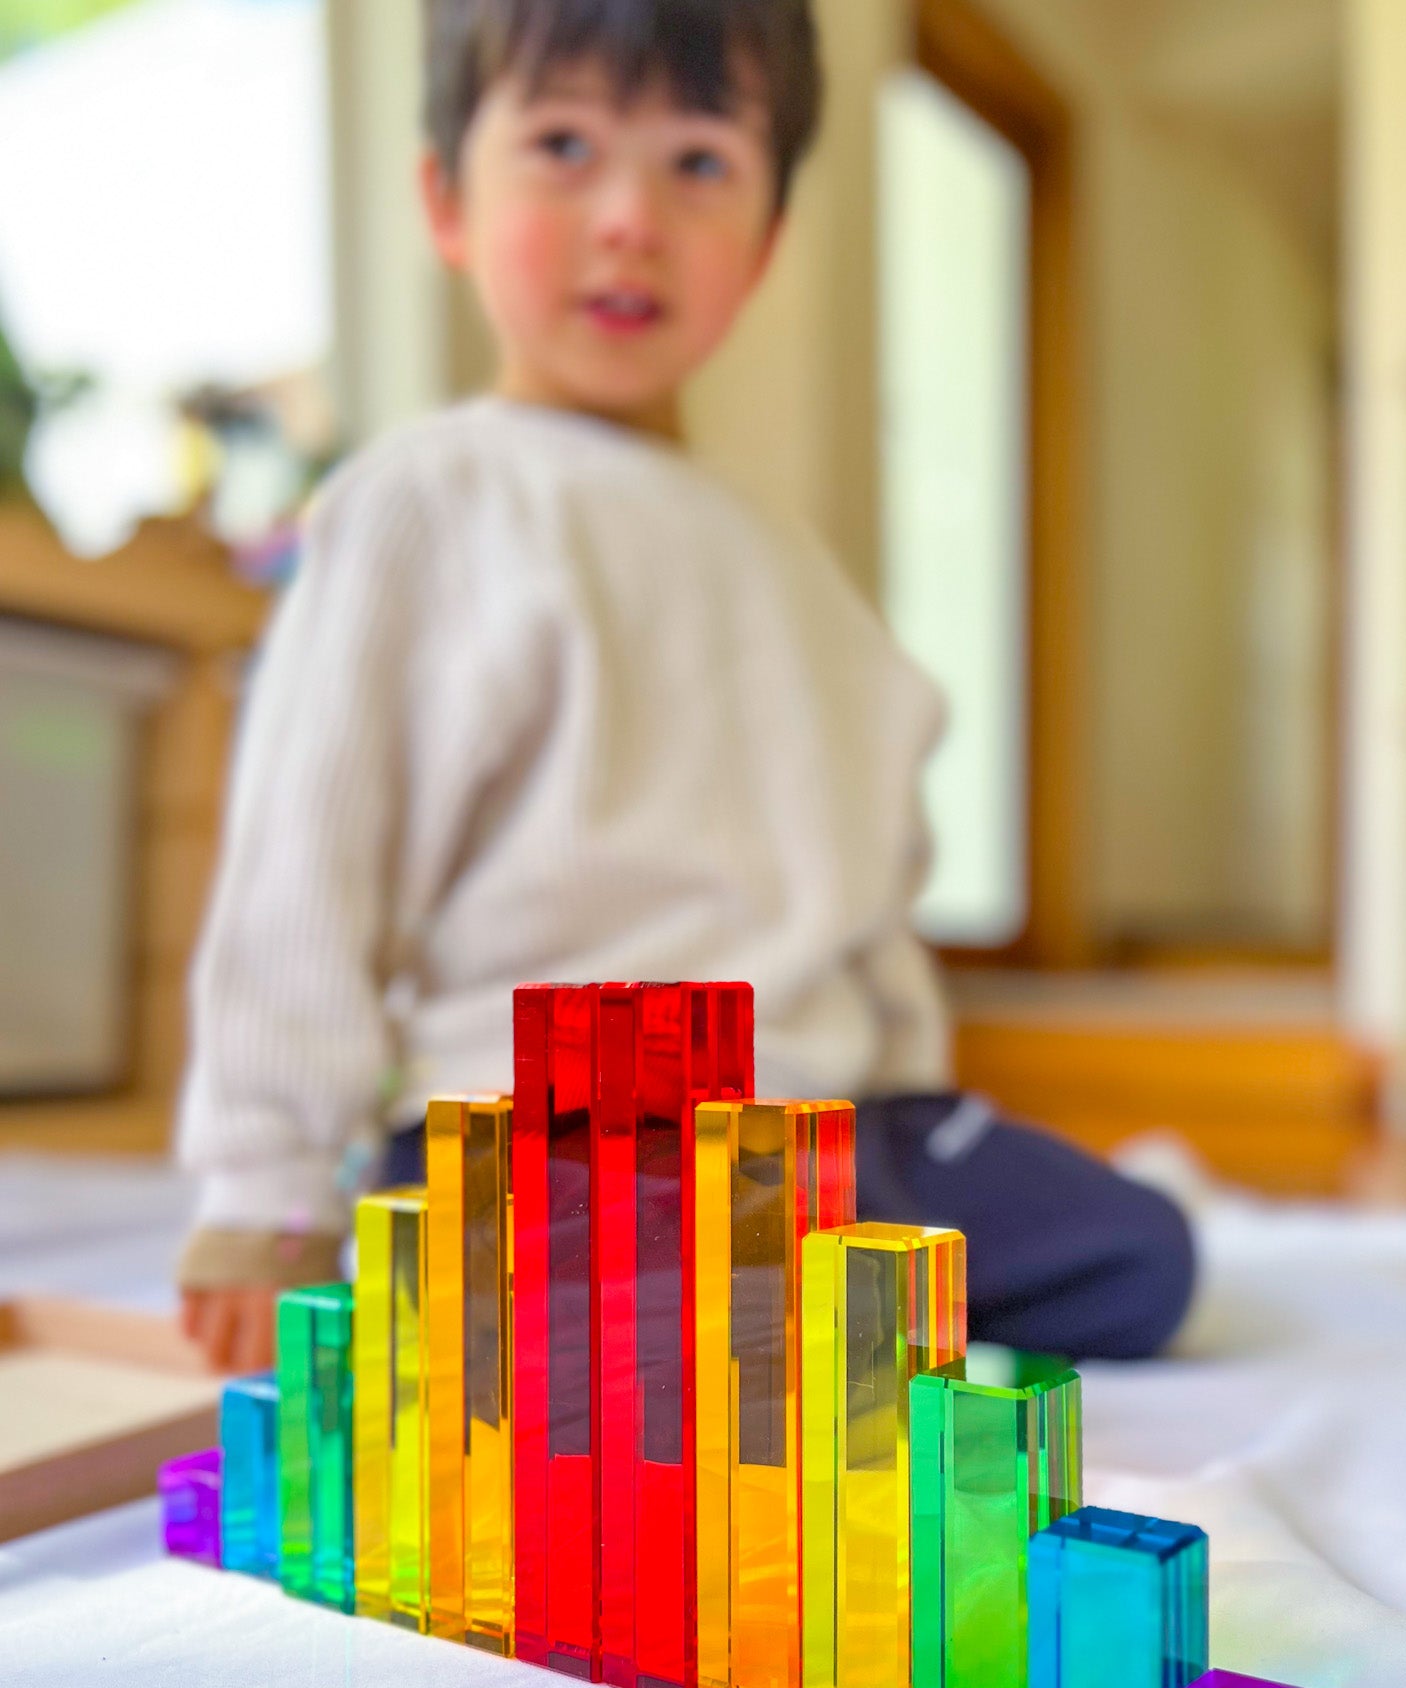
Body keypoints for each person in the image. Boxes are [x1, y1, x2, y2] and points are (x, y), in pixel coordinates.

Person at [178, 0, 1195, 1376]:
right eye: (563, 145)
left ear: (766, 241)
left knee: (1141, 1258)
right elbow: (305, 876)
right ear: (447, 201)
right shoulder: (422, 502)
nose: (630, 220)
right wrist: (269, 1192)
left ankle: (806, 1299)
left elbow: (870, 883)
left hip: (830, 1130)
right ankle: (750, 1315)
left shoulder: (802, 571)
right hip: (547, 1130)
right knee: (614, 1329)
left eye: (699, 163)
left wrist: (912, 1090)